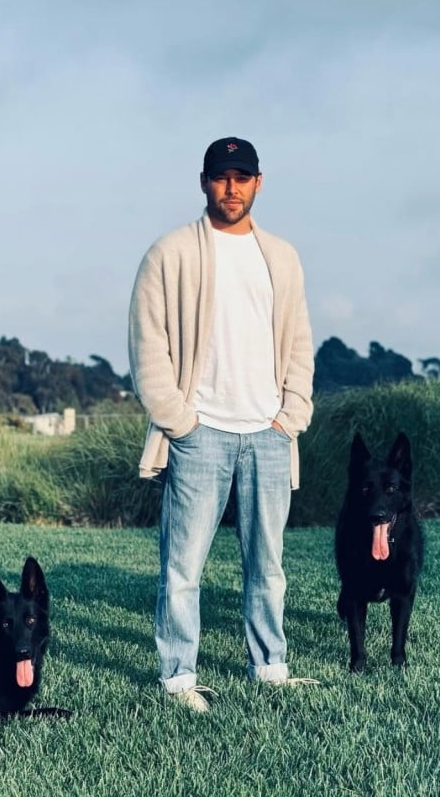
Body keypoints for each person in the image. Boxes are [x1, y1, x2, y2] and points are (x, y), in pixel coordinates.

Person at [128, 136, 316, 712]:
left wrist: (292, 415)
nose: (230, 188)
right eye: (220, 177)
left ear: (258, 182)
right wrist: (179, 421)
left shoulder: (281, 255)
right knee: (182, 567)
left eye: (241, 177)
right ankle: (178, 678)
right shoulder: (171, 252)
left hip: (268, 433)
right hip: (200, 432)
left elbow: (300, 342)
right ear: (203, 182)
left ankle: (271, 666)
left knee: (269, 565)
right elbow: (147, 344)